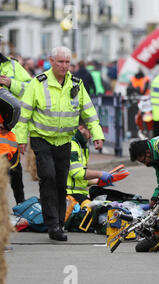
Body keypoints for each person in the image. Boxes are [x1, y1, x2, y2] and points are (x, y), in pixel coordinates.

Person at [14, 46, 105, 242]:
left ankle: (59, 224)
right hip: (42, 138)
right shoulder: (38, 83)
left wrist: (97, 134)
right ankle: (52, 224)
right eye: (60, 62)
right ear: (51, 61)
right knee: (48, 177)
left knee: (61, 184)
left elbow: (89, 112)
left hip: (65, 140)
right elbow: (24, 114)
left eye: (67, 62)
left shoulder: (76, 84)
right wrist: (21, 140)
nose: (64, 66)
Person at [0, 35, 32, 205]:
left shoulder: (12, 65)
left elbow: (31, 88)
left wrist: (11, 83)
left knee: (15, 173)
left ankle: (21, 206)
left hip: (9, 130)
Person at [67, 121, 113, 205]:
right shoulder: (72, 145)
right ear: (81, 128)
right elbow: (76, 172)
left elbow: (80, 180)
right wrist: (99, 174)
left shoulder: (83, 147)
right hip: (69, 195)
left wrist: (98, 181)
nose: (91, 136)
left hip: (78, 193)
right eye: (91, 132)